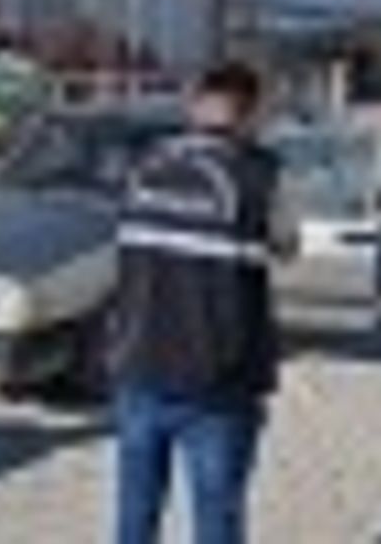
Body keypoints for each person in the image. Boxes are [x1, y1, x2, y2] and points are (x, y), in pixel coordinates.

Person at [109, 63, 298, 544]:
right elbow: (288, 247)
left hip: (138, 368)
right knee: (216, 519)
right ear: (251, 112)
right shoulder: (261, 175)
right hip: (217, 385)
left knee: (134, 513)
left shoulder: (143, 165)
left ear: (196, 106)